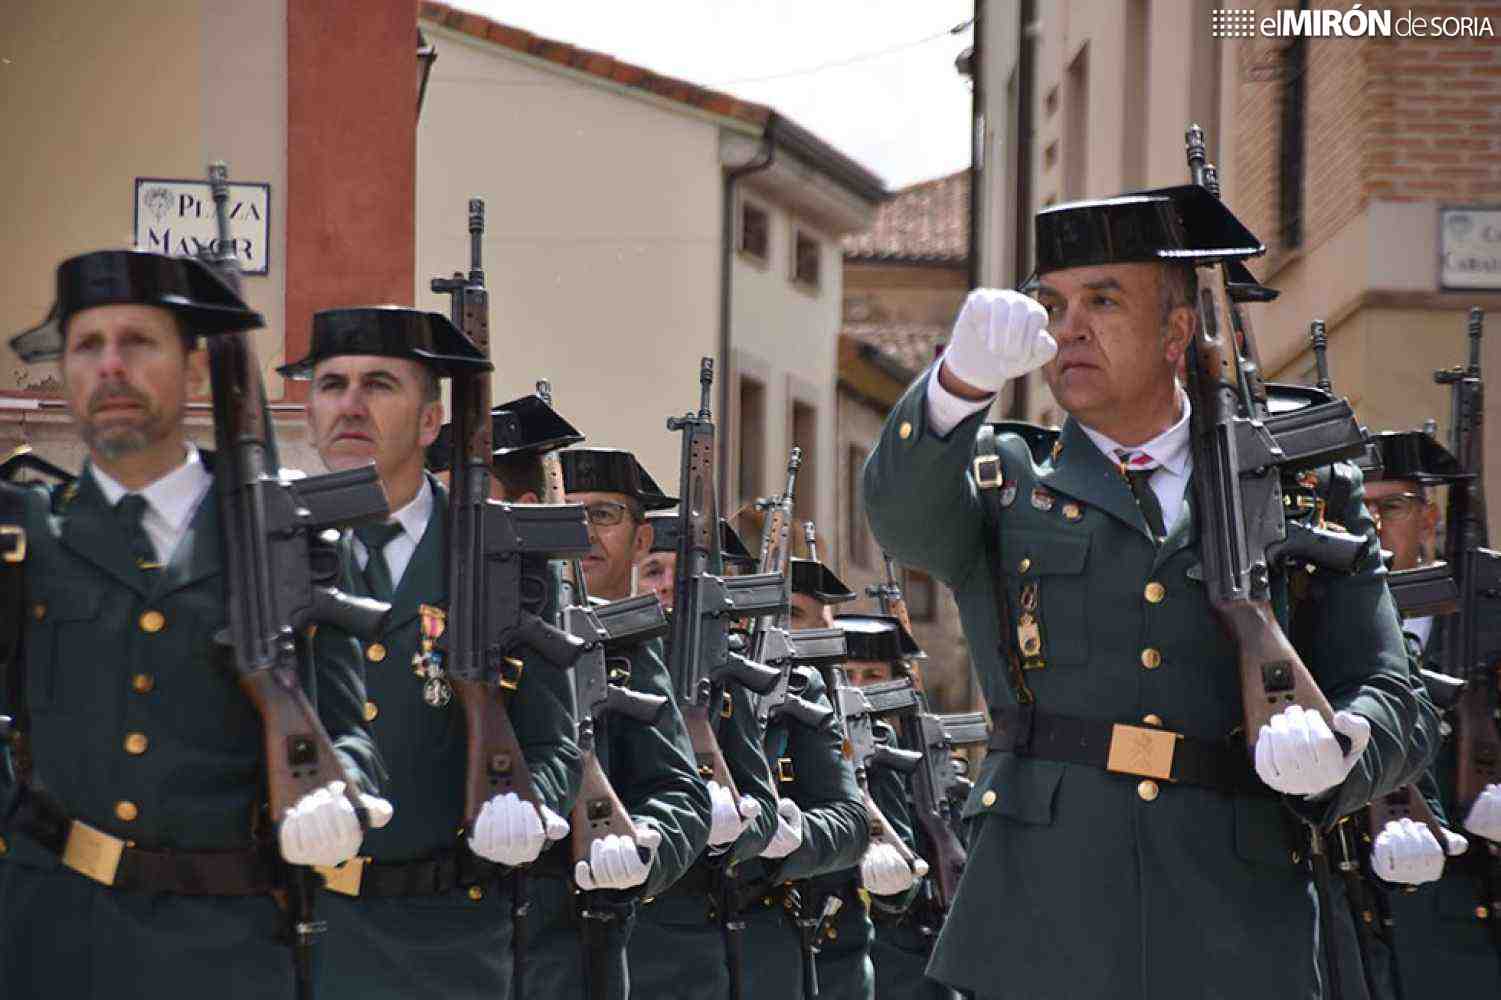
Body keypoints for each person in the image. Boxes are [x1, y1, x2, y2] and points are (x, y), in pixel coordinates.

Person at [863, 185, 1428, 999]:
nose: (1068, 329)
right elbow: (903, 525)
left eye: (1102, 300)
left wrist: (1343, 748)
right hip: (1042, 904)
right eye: (1051, 304)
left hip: (1233, 908)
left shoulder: (1297, 490)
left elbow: (1393, 695)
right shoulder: (1004, 478)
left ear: (1175, 332)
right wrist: (954, 389)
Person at [0, 250, 386, 998]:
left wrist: (344, 799)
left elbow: (348, 730)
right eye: (88, 345)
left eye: (138, 343)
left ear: (198, 370)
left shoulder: (287, 540)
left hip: (229, 946)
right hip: (47, 934)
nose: (111, 366)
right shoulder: (22, 539)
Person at [291, 306, 581, 999]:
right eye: (332, 384)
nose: (351, 405)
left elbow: (555, 741)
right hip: (290, 927)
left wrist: (528, 806)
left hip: (450, 936)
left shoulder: (501, 556)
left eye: (380, 385)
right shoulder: (267, 544)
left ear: (429, 423)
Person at [438, 414, 712, 1000]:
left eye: (603, 515)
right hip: (434, 938)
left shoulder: (626, 642)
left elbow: (677, 793)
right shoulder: (423, 616)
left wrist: (640, 849)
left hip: (565, 945)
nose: (581, 530)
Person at [1361, 429, 1501, 994]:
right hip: (1359, 920)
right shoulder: (1304, 621)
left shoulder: (1487, 619)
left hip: (1468, 913)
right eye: (1357, 508)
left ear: (1428, 519)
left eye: (1391, 507)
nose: (1373, 524)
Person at [838, 613, 961, 1000]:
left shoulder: (924, 759)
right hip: (851, 951)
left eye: (872, 676)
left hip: (916, 957)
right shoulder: (821, 752)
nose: (859, 689)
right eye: (848, 675)